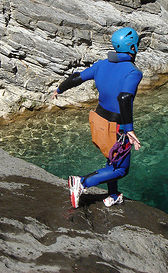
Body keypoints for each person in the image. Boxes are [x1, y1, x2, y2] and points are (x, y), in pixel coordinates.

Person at [52, 27, 143, 208]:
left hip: (98, 120)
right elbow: (124, 98)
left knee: (112, 158)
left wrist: (60, 89)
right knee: (121, 169)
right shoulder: (133, 72)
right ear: (133, 48)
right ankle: (82, 182)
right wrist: (130, 129)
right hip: (118, 126)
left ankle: (113, 194)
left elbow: (77, 77)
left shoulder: (101, 64)